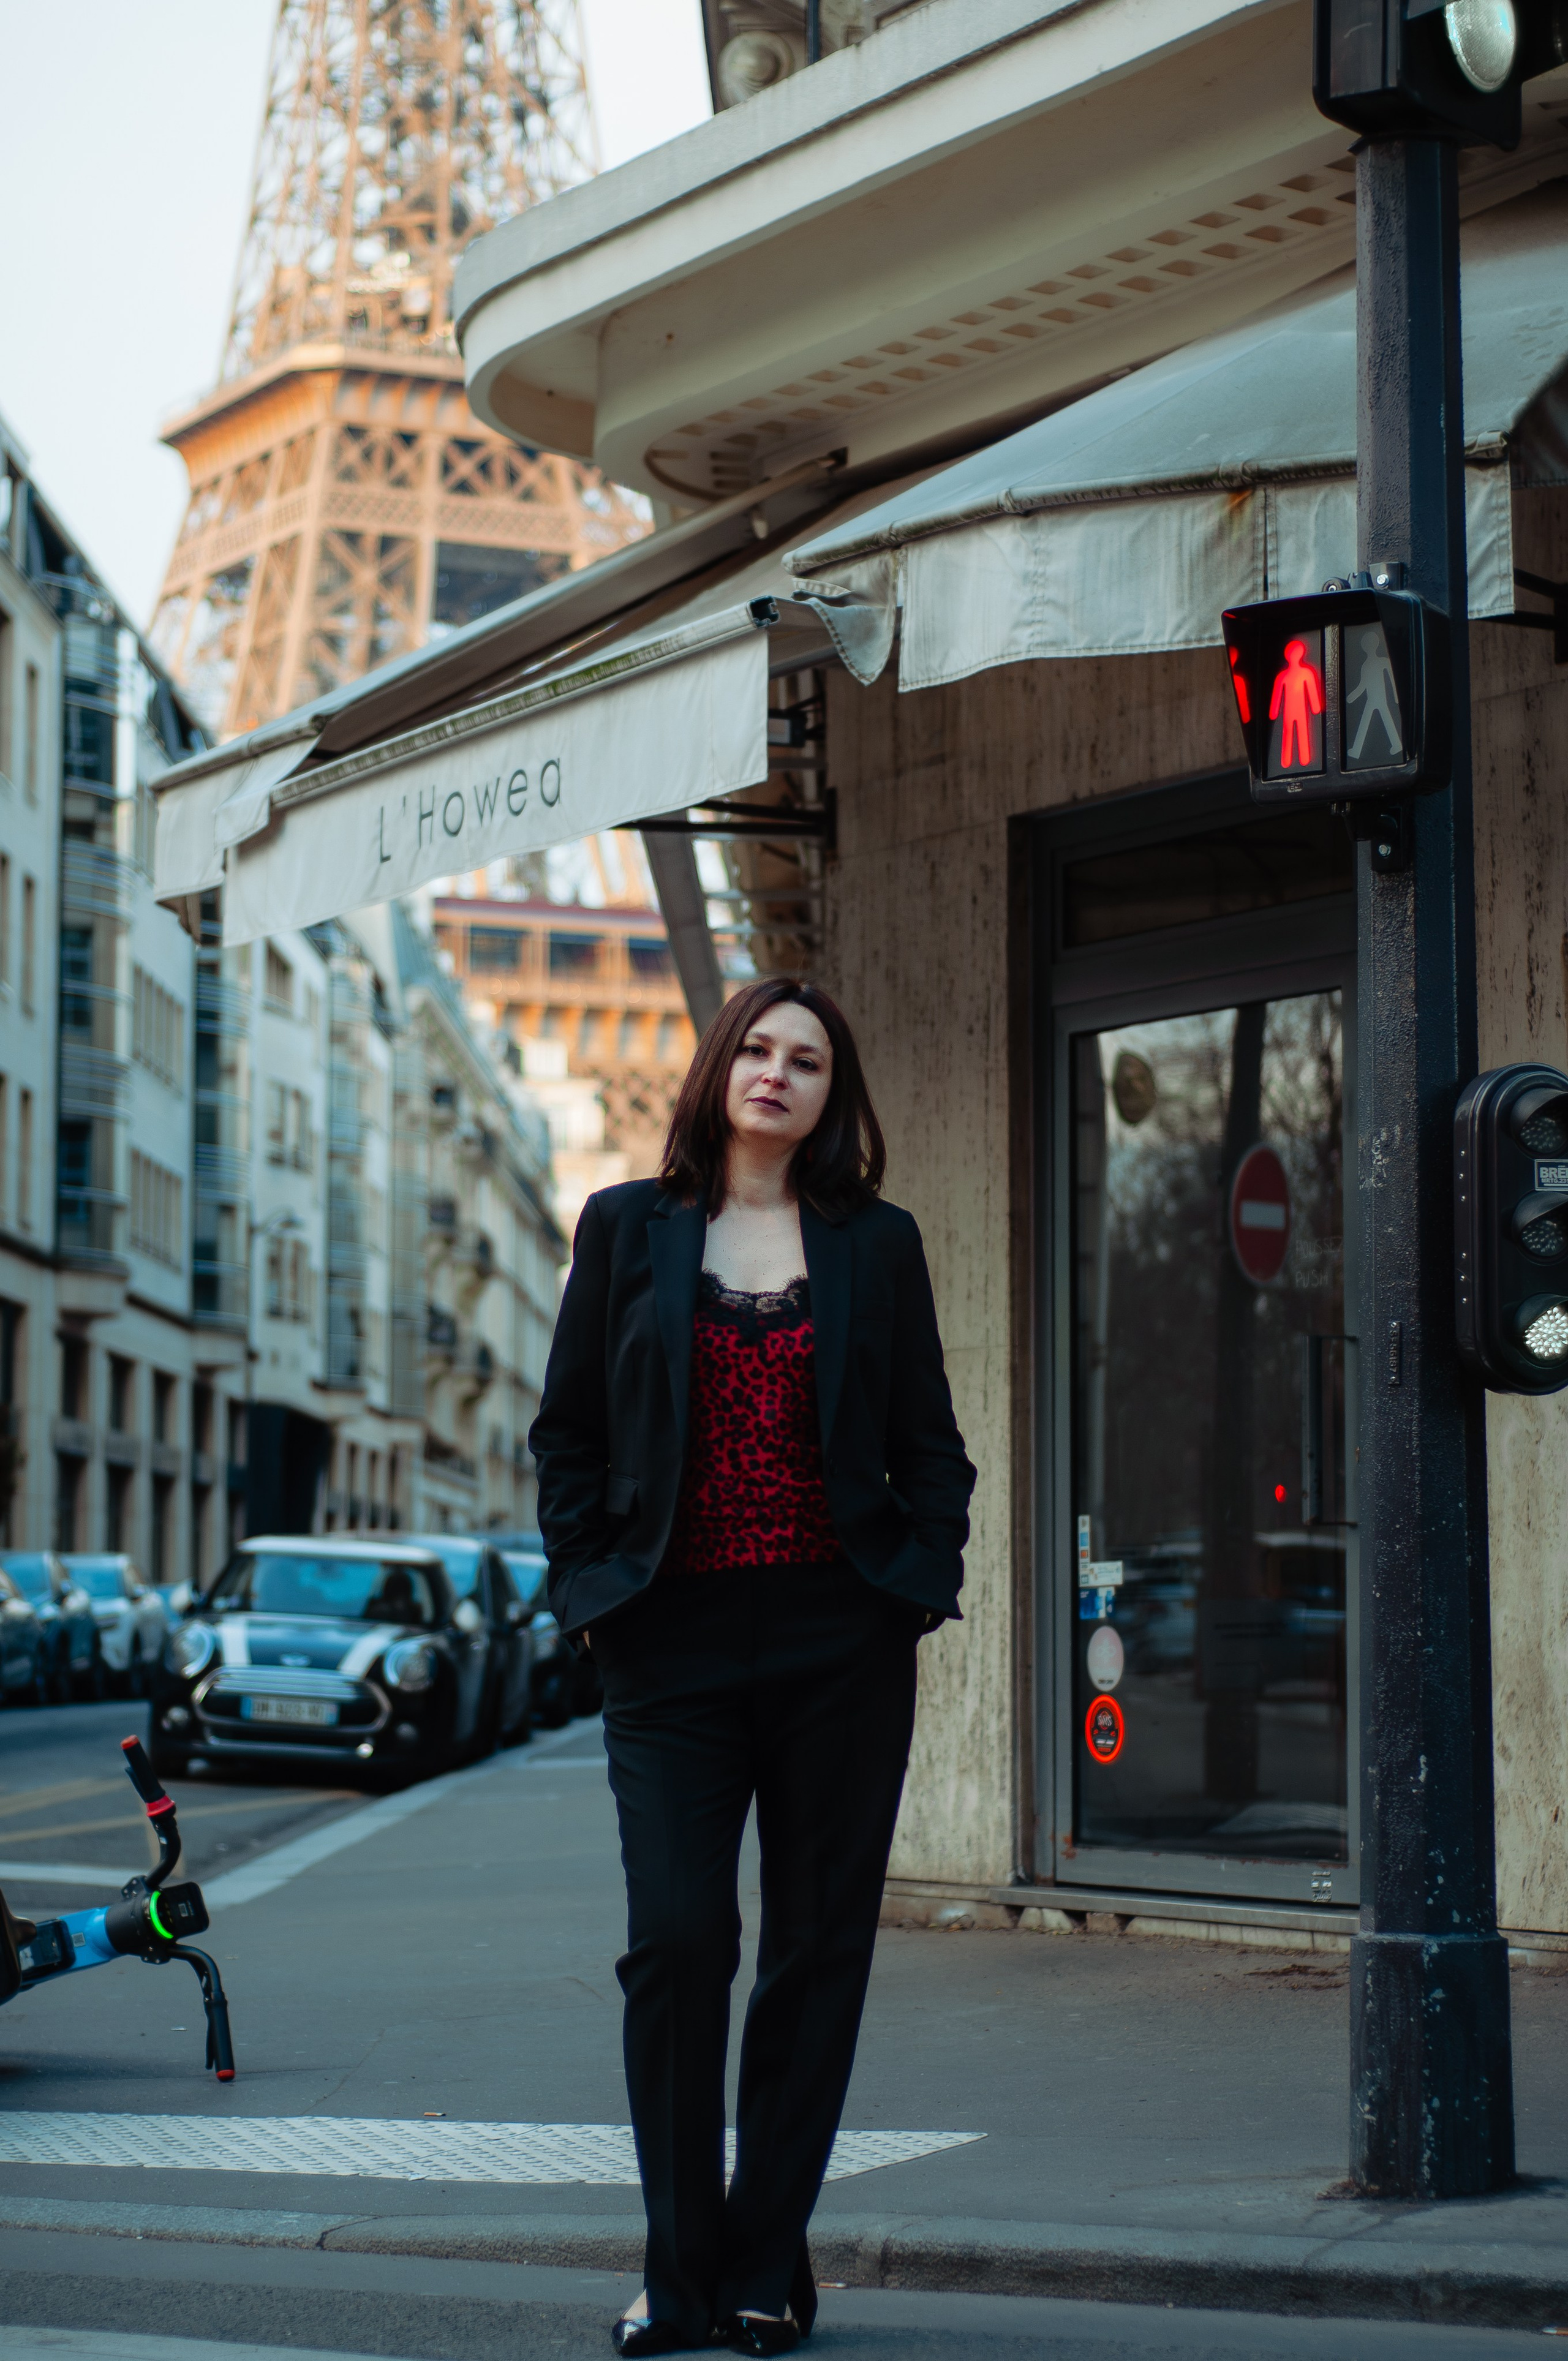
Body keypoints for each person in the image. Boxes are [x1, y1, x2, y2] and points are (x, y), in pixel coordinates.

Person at [530, 978, 975, 2357]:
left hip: (839, 1641)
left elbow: (928, 1446)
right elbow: (569, 1437)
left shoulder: (873, 1243)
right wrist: (595, 1591)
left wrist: (914, 1586)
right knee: (676, 1942)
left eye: (809, 1061)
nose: (778, 1074)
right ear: (720, 1065)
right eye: (760, 1049)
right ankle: (675, 2271)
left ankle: (766, 2260)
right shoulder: (625, 1227)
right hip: (667, 1646)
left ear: (834, 1096)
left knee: (814, 1948)